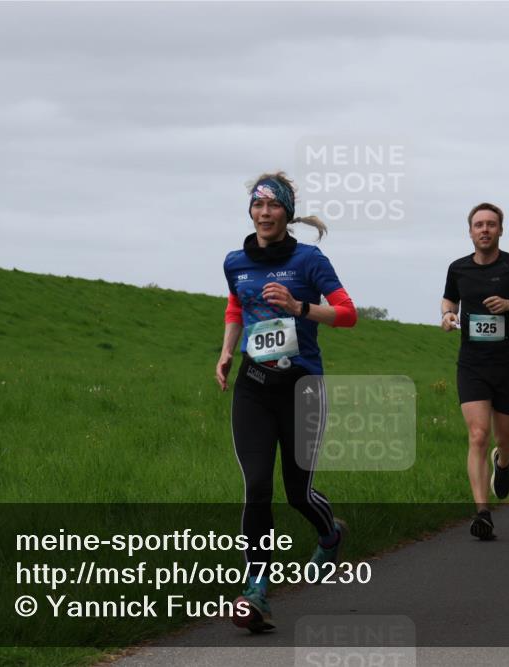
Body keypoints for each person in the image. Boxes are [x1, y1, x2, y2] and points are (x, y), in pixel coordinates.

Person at [217, 172, 357, 633]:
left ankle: (330, 533)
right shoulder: (236, 262)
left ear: (287, 213)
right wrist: (224, 354)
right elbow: (237, 307)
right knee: (257, 485)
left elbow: (347, 314)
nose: (263, 214)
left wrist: (299, 307)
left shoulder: (309, 260)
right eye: (257, 207)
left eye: (272, 206)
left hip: (302, 389)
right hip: (253, 386)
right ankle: (256, 588)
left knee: (298, 492)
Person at [441, 202, 509, 540]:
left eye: (490, 224)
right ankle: (482, 512)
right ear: (470, 231)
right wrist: (447, 315)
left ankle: (503, 463)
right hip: (472, 363)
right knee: (477, 435)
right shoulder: (458, 269)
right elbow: (449, 300)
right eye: (478, 225)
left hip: (508, 363)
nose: (484, 229)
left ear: (500, 230)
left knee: (505, 440)